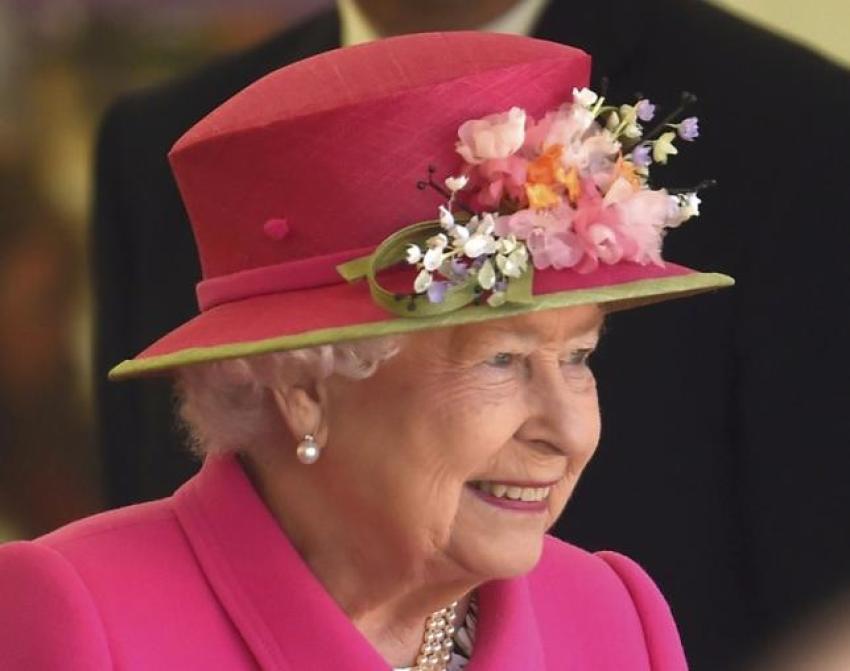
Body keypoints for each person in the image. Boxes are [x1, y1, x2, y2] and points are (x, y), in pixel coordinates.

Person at [91, 3, 850, 668]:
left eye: (580, 356)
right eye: (502, 359)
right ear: (301, 387)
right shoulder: (86, 619)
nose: (570, 432)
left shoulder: (616, 614)